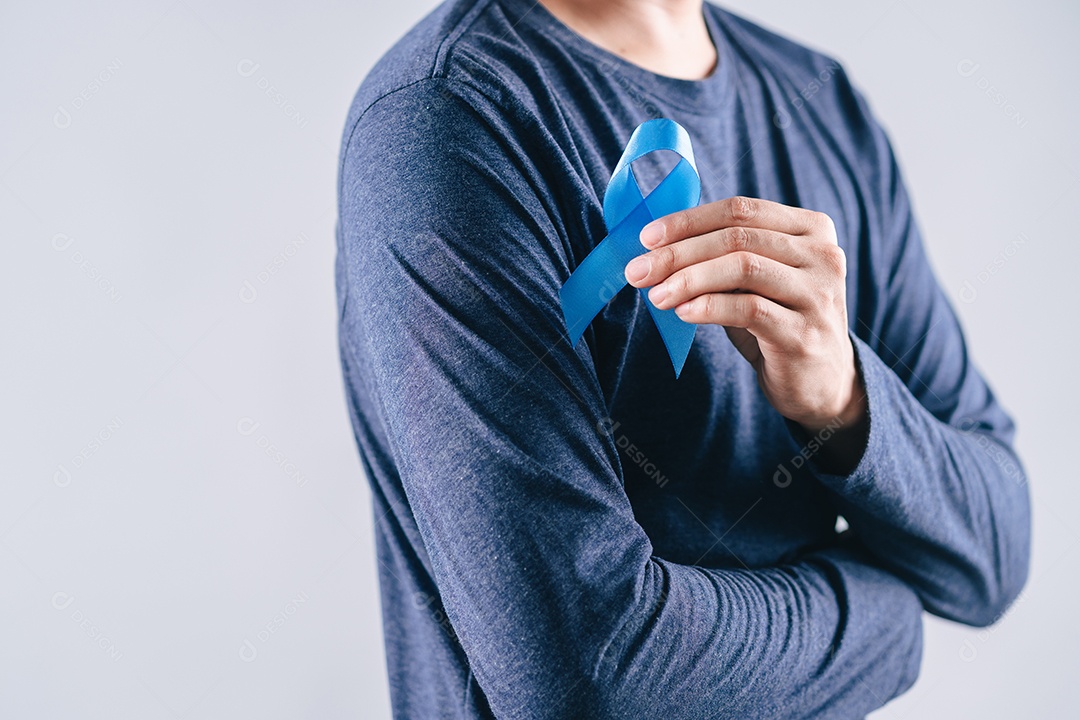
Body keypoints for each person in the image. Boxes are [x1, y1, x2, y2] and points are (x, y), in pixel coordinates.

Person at [334, 0, 1031, 716]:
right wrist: (887, 627)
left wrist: (844, 402)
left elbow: (995, 555)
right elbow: (589, 679)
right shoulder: (445, 120)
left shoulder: (820, 101)